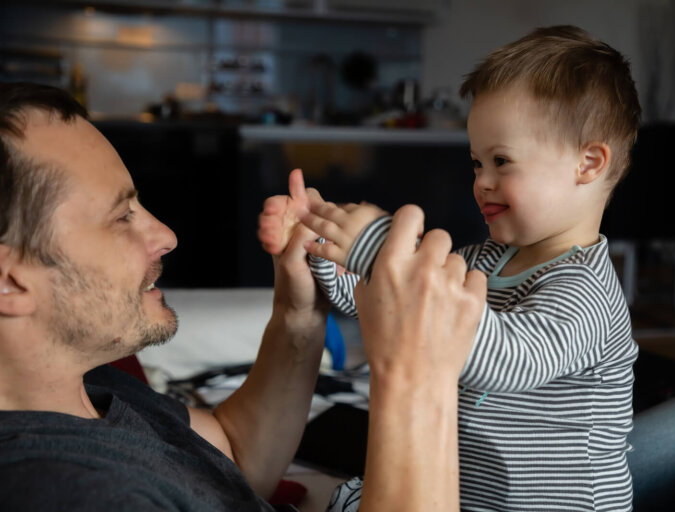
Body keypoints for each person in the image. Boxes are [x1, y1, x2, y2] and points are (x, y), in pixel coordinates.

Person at [0, 82, 487, 511]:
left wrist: (298, 313)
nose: (166, 235)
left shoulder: (85, 392)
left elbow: (230, 457)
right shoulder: (68, 490)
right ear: (10, 281)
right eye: (121, 216)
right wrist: (417, 374)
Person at [259, 25, 641, 511]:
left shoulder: (586, 289)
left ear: (587, 163)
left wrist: (376, 246)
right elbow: (386, 299)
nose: (482, 182)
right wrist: (323, 246)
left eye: (502, 161)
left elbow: (508, 357)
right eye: (477, 163)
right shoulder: (482, 258)